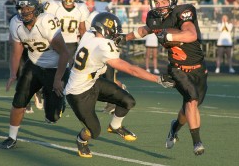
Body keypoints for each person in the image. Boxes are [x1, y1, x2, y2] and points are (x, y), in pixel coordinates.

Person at [64, 12, 174, 158]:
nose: (115, 35)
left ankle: (115, 126)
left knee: (127, 101)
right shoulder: (103, 46)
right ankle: (81, 140)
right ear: (106, 31)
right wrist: (158, 79)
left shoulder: (89, 35)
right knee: (94, 132)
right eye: (114, 32)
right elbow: (131, 69)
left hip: (92, 82)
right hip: (77, 93)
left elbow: (104, 41)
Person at [118, 0, 208, 155]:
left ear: (172, 0)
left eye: (162, 2)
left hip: (198, 68)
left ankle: (175, 126)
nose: (158, 6)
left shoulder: (184, 12)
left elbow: (191, 34)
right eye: (156, 2)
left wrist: (168, 35)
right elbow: (145, 30)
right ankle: (197, 142)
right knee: (192, 101)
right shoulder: (154, 17)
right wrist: (125, 38)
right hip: (177, 68)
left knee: (188, 109)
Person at [0, 0, 70, 149]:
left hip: (55, 68)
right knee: (19, 101)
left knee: (53, 116)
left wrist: (58, 79)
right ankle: (11, 137)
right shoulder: (15, 23)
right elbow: (16, 51)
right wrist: (12, 74)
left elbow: (64, 53)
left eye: (28, 8)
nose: (24, 12)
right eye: (22, 9)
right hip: (34, 64)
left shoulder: (46, 22)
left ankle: (58, 100)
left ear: (37, 8)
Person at [44, 0, 89, 66]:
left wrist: (85, 46)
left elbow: (82, 29)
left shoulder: (81, 8)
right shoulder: (53, 6)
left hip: (72, 44)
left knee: (69, 70)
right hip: (56, 42)